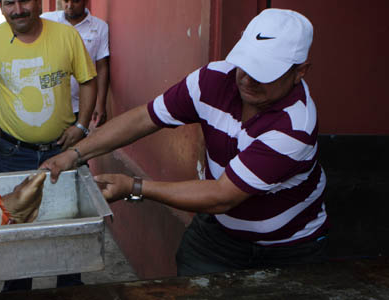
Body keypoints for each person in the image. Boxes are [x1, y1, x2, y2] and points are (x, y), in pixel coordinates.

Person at [41, 8, 329, 276]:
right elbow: (144, 118)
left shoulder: (295, 125)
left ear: (300, 71)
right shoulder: (213, 80)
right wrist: (75, 153)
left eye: (264, 71)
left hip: (288, 247)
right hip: (218, 233)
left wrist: (134, 186)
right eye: (246, 63)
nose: (248, 79)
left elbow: (222, 196)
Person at [0, 0, 97, 290]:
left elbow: (88, 80)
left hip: (63, 151)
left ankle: (69, 288)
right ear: (0, 6)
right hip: (14, 154)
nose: (18, 10)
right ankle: (16, 289)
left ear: (39, 2)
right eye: (8, 3)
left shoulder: (67, 36)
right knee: (16, 232)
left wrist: (82, 125)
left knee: (68, 226)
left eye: (24, 0)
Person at [41, 0, 110, 127]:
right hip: (48, 102)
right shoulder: (46, 20)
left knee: (76, 144)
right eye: (66, 1)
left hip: (82, 105)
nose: (69, 6)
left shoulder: (100, 27)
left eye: (76, 1)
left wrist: (100, 104)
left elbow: (102, 67)